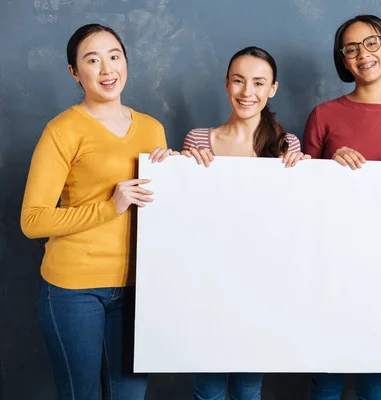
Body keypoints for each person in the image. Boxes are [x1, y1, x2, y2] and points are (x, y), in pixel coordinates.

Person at [20, 23, 174, 400]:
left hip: (139, 288)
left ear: (126, 62)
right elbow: (33, 220)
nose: (107, 70)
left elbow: (159, 210)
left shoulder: (153, 129)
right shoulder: (62, 130)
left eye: (114, 56)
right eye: (92, 60)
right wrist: (110, 207)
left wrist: (175, 178)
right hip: (74, 290)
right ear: (74, 72)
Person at [302, 14, 381, 400]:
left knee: (376, 381)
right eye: (351, 48)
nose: (363, 54)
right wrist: (327, 164)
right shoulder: (324, 116)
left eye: (372, 43)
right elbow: (299, 192)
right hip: (330, 266)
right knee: (326, 376)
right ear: (343, 60)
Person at [181, 46, 308, 400]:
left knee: (249, 389)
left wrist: (305, 174)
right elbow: (184, 214)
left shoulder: (287, 145)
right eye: (238, 81)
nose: (246, 92)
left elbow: (294, 219)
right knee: (207, 389)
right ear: (226, 84)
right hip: (208, 282)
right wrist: (176, 166)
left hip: (262, 283)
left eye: (257, 83)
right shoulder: (199, 139)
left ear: (272, 89)